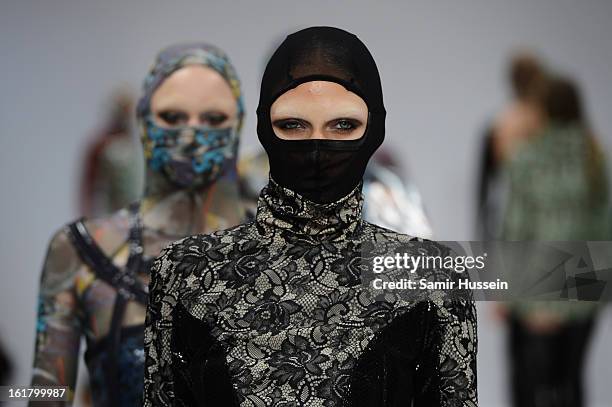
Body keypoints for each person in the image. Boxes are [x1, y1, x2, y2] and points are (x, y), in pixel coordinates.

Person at [143, 27, 477, 406]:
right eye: (292, 125)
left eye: (344, 125)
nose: (317, 147)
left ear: (376, 127)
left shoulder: (433, 274)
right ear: (263, 125)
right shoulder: (184, 270)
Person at [30, 43, 247, 407]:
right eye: (173, 117)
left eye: (213, 118)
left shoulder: (286, 242)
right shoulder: (80, 250)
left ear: (238, 123)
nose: (191, 134)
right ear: (144, 121)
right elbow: (44, 392)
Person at [501, 76, 609, 407]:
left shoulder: (530, 158)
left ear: (543, 110)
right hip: (589, 282)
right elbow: (603, 226)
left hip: (541, 288)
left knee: (534, 386)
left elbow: (518, 230)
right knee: (572, 380)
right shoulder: (593, 155)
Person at [476, 52, 546, 239]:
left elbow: (484, 189)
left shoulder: (499, 125)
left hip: (506, 217)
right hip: (541, 220)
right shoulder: (545, 124)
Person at [79, 89, 142, 217]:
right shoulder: (101, 146)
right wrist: (88, 219)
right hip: (109, 216)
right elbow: (88, 186)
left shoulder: (139, 148)